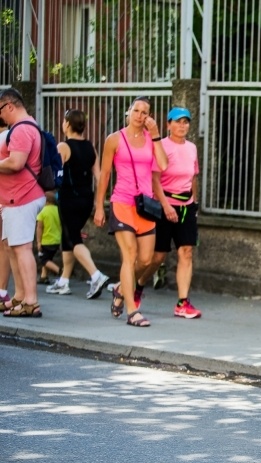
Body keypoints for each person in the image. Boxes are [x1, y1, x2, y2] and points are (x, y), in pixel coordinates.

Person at [95, 96, 167, 327]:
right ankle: (132, 311)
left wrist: (156, 135)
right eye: (136, 110)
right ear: (128, 112)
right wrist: (99, 206)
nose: (140, 115)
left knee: (145, 260)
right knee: (130, 255)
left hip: (145, 206)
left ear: (149, 116)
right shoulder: (114, 139)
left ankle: (120, 288)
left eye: (145, 112)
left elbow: (163, 165)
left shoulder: (151, 139)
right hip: (122, 202)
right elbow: (105, 174)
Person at [136, 106, 202, 319]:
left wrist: (195, 204)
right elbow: (155, 179)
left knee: (186, 251)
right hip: (164, 205)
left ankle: (182, 303)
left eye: (186, 122)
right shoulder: (161, 145)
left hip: (186, 206)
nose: (182, 126)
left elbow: (193, 177)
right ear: (168, 125)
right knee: (157, 257)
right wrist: (166, 206)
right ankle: (138, 285)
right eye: (178, 121)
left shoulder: (192, 148)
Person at [47, 109, 109, 299]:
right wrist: (99, 203)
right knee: (68, 239)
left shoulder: (63, 147)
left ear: (67, 124)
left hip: (69, 200)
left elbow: (54, 174)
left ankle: (96, 275)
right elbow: (100, 177)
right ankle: (64, 281)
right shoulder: (90, 147)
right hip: (86, 200)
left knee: (74, 239)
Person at [0, 88, 46, 317]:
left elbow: (16, 162)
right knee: (14, 248)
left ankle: (31, 301)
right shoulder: (27, 126)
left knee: (23, 249)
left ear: (9, 106)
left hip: (22, 196)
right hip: (16, 197)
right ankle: (20, 296)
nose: (1, 116)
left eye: (0, 110)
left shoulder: (21, 129)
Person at [36, 190, 61, 285]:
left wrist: (38, 242)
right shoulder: (58, 210)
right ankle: (44, 276)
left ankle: (60, 271)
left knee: (44, 260)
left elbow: (39, 228)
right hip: (57, 240)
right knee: (48, 258)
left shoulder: (43, 211)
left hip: (46, 240)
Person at [0, 124, 12, 307]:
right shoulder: (11, 135)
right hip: (9, 197)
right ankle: (2, 291)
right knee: (5, 245)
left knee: (4, 245)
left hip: (5, 196)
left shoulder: (5, 137)